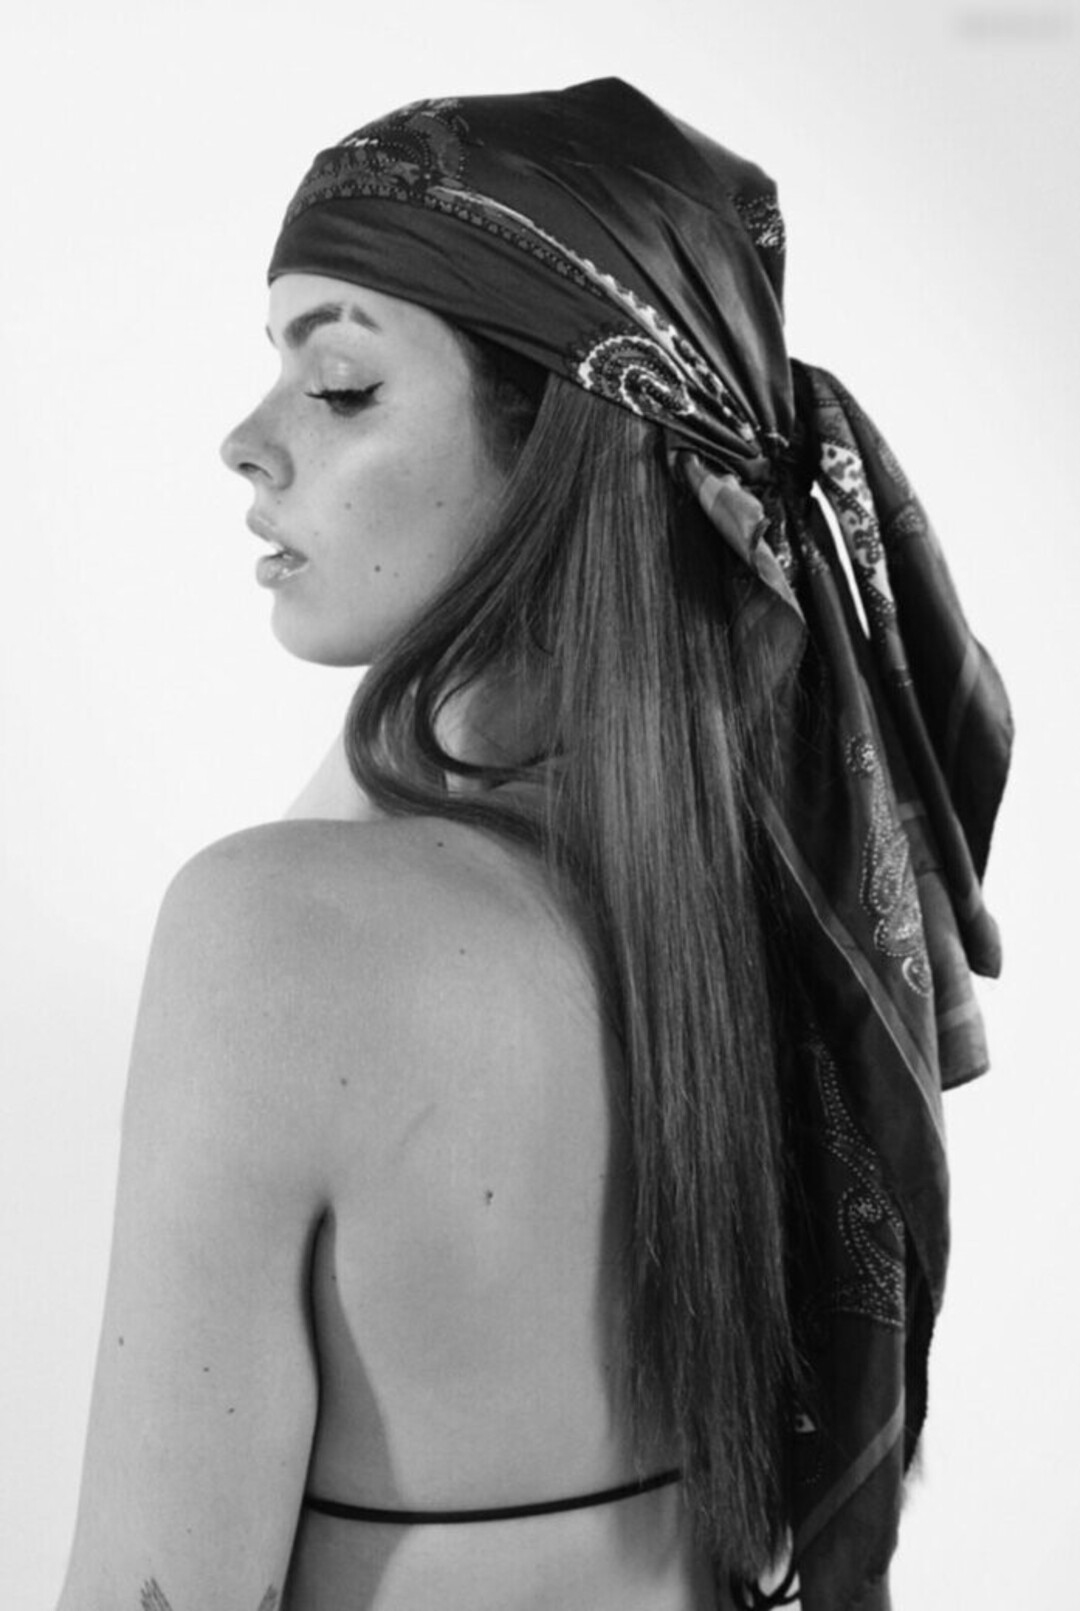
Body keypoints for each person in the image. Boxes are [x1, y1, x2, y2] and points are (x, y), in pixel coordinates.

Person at [55, 79, 1011, 1611]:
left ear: (562, 438)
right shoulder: (797, 903)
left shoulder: (275, 936)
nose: (246, 442)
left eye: (342, 385)